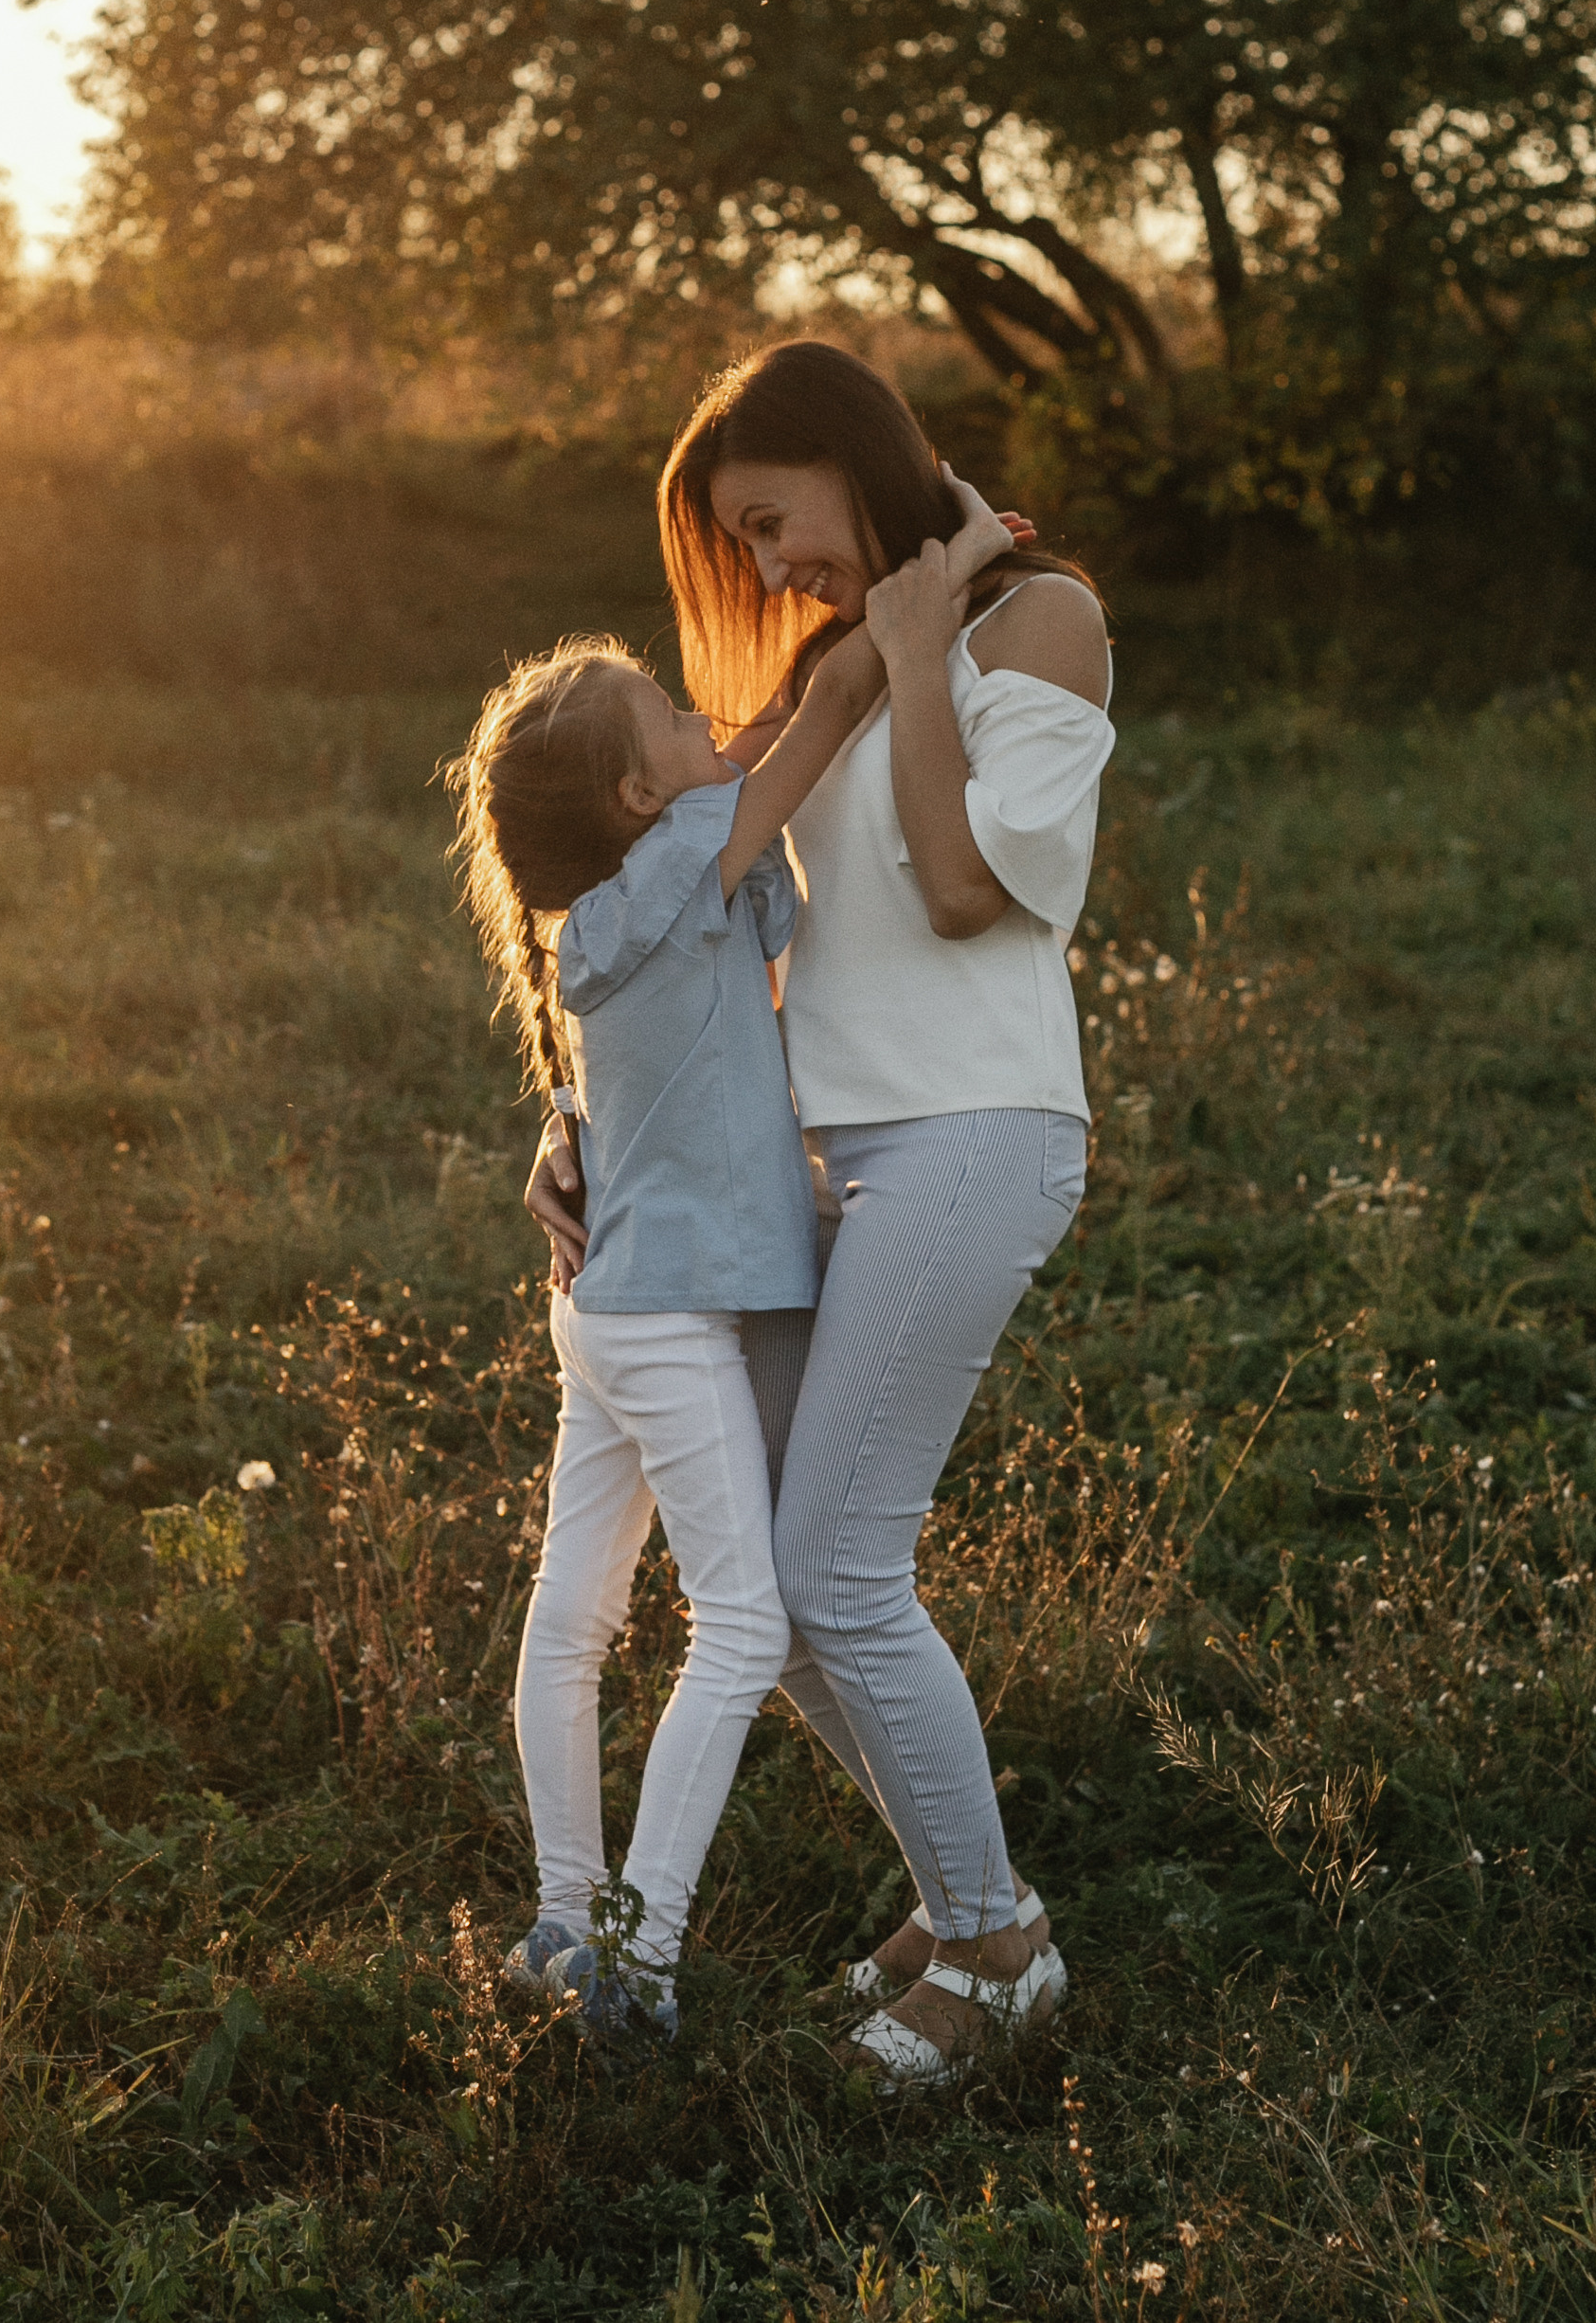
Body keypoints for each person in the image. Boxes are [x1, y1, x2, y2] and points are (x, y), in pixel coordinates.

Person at [528, 342, 1111, 2082]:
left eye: (775, 521)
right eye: (748, 543)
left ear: (853, 462)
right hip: (813, 1158)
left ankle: (1000, 1947)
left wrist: (919, 660)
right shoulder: (838, 660)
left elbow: (955, 883)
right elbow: (681, 923)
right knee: (768, 1595)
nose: (771, 570)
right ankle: (961, 1894)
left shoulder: (1045, 623)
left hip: (974, 1127)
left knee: (840, 1572)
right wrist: (578, 1123)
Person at [449, 484, 1015, 2037]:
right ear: (641, 794)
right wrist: (947, 571)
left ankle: (564, 1918)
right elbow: (814, 713)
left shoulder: (605, 909)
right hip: (679, 1314)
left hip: (607, 1314)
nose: (711, 726)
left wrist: (749, 723)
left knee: (573, 1619)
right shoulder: (687, 853)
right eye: (673, 726)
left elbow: (758, 730)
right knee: (747, 1620)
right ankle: (639, 1954)